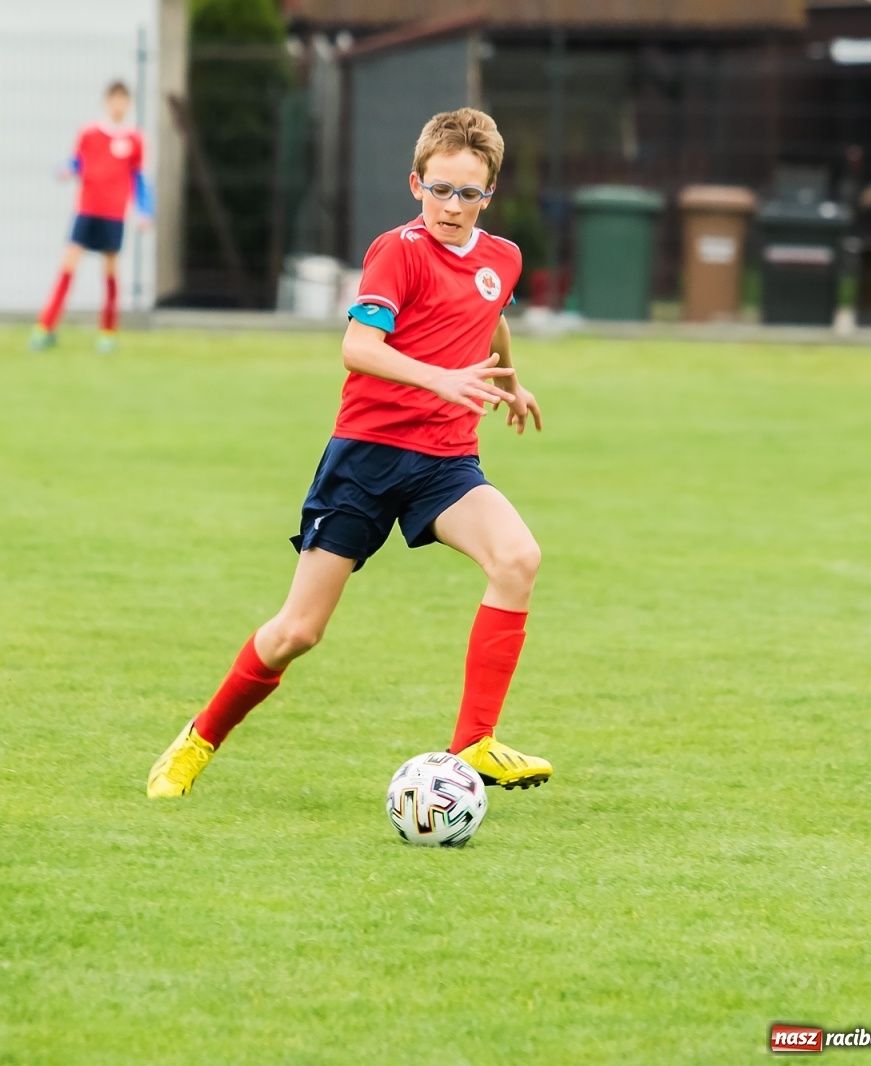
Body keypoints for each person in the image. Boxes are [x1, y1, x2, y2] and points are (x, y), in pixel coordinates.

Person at [147, 109, 551, 799]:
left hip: (445, 463)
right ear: (415, 184)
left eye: (468, 194)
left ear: (489, 196)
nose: (452, 207)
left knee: (517, 559)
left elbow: (493, 311)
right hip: (366, 457)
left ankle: (473, 744)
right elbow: (358, 348)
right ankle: (197, 740)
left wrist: (507, 378)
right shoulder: (397, 251)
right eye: (440, 189)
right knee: (299, 631)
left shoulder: (501, 257)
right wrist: (442, 377)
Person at [29, 80, 153, 355]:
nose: (119, 105)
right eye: (114, 99)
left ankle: (107, 333)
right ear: (107, 102)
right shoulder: (89, 132)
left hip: (114, 214)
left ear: (128, 104)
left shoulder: (135, 139)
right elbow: (78, 161)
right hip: (86, 210)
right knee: (68, 267)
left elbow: (140, 179)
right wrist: (64, 168)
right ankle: (45, 328)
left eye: (124, 100)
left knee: (109, 273)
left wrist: (145, 211)